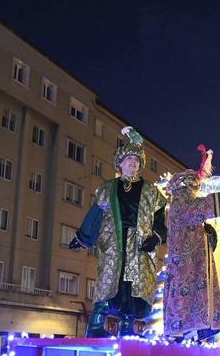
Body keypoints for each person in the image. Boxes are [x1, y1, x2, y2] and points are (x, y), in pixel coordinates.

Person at [69, 127, 168, 336]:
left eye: (137, 160)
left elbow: (160, 221)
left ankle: (129, 328)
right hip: (114, 242)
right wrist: (83, 237)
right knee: (109, 281)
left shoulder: (152, 191)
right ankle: (98, 327)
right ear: (120, 164)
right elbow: (96, 213)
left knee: (136, 287)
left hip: (140, 244)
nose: (133, 163)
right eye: (129, 159)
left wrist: (156, 237)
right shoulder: (108, 188)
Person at [163, 146, 220, 341]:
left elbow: (195, 214)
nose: (196, 191)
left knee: (197, 293)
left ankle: (196, 330)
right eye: (194, 187)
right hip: (185, 263)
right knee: (183, 295)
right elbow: (192, 211)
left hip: (195, 261)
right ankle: (181, 332)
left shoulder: (187, 206)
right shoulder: (179, 204)